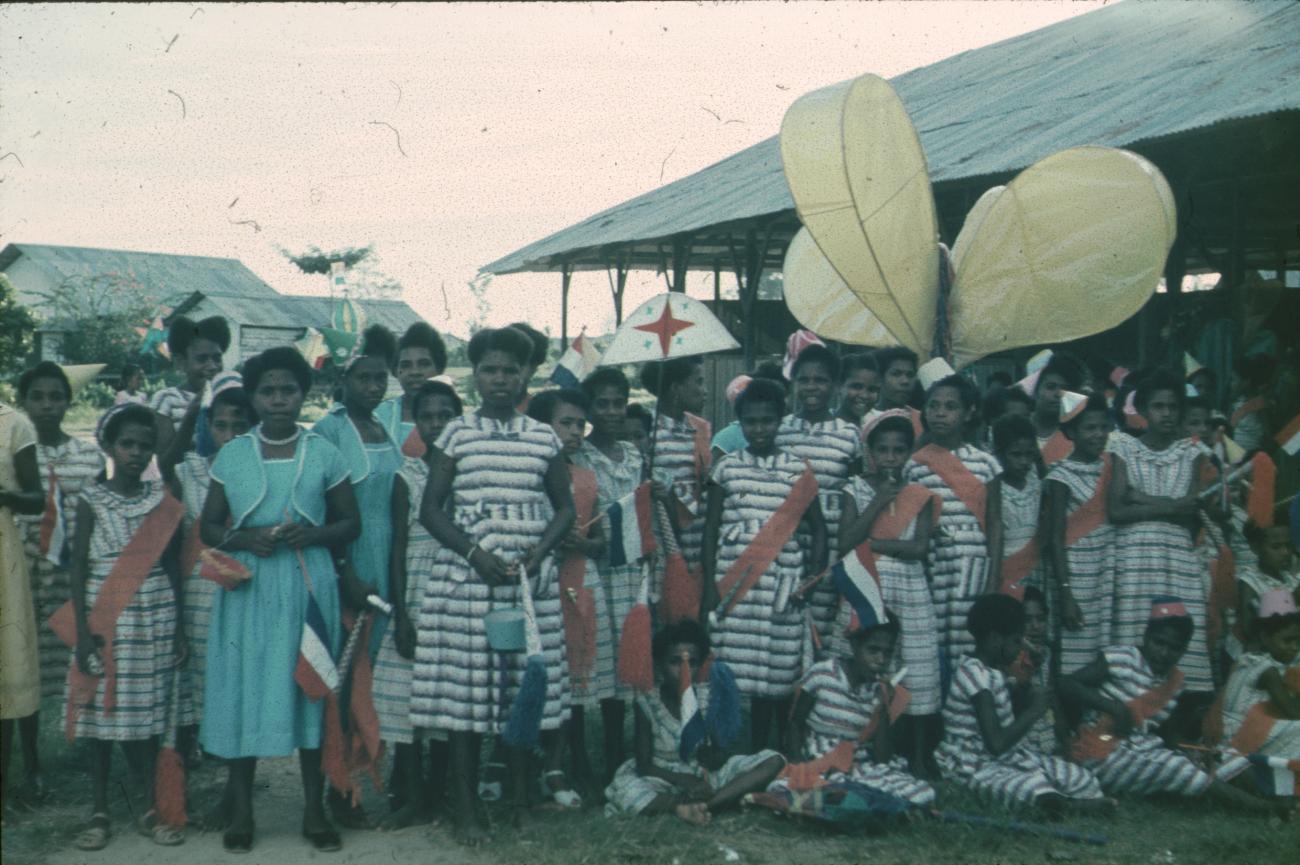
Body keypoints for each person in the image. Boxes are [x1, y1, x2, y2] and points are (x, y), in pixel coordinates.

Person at [411, 326, 575, 845]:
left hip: (528, 585)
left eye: (510, 370)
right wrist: (475, 553)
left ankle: (522, 804)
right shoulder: (456, 433)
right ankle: (465, 811)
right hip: (467, 582)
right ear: (475, 375)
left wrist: (540, 550)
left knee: (522, 697)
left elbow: (565, 508)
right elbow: (430, 510)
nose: (500, 378)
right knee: (467, 702)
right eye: (489, 369)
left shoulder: (543, 436)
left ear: (527, 374)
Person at [198, 347, 362, 854]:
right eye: (267, 390)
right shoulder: (233, 455)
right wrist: (248, 539)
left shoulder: (324, 453)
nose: (278, 400)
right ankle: (242, 811)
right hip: (249, 589)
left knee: (309, 688)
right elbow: (208, 527)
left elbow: (349, 524)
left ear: (302, 393)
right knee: (247, 690)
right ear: (253, 396)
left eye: (288, 389)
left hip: (307, 586)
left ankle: (313, 811)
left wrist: (309, 536)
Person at [64, 404, 187, 849]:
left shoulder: (161, 500)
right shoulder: (90, 498)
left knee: (145, 718)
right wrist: (81, 631)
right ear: (109, 446)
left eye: (145, 445)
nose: (136, 453)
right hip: (104, 612)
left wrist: (179, 631)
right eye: (127, 444)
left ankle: (148, 807)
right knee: (100, 717)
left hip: (154, 613)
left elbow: (173, 566)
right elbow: (76, 567)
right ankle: (98, 810)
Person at [312, 324, 405, 826]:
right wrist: (346, 571)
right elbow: (325, 511)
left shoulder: (387, 427)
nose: (374, 387)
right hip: (354, 570)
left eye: (380, 378)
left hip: (393, 564)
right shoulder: (330, 432)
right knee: (350, 680)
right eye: (364, 378)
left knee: (386, 677)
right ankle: (341, 788)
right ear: (343, 382)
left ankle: (384, 778)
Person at [703, 378, 827, 751]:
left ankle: (771, 745)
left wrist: (812, 577)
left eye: (767, 421)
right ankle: (733, 744)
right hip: (735, 580)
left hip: (782, 580)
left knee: (777, 666)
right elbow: (710, 528)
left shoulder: (798, 470)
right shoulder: (726, 468)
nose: (759, 429)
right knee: (734, 665)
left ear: (780, 421)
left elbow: (819, 530)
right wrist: (709, 584)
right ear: (738, 422)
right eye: (751, 422)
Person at [1060, 598, 1262, 808]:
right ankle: (1262, 808)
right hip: (1098, 752)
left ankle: (1273, 796)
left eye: (1174, 648)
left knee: (1219, 758)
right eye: (1159, 643)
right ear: (1147, 637)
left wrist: (1193, 750)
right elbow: (1066, 684)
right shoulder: (1122, 658)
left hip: (1144, 750)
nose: (1164, 653)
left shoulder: (1175, 683)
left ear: (1184, 650)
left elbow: (1165, 733)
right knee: (1176, 769)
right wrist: (1112, 707)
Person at [14, 362, 106, 803]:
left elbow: (102, 515)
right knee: (20, 670)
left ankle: (92, 752)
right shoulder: (12, 453)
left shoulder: (88, 456)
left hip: (72, 580)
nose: (47, 406)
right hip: (20, 579)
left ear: (69, 402)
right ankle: (29, 763)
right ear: (22, 402)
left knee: (79, 665)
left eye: (57, 397)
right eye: (38, 397)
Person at [372, 379, 461, 830]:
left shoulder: (470, 473)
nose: (436, 423)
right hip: (416, 592)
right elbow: (398, 549)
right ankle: (411, 787)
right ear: (417, 423)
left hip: (458, 593)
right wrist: (401, 614)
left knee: (448, 698)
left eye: (445, 415)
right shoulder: (407, 478)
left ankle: (436, 792)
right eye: (427, 416)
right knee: (403, 694)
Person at [836, 411, 941, 774]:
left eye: (899, 451)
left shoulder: (921, 494)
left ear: (909, 453)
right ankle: (867, 748)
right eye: (883, 450)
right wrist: (879, 501)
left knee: (915, 665)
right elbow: (847, 542)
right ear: (870, 452)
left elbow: (919, 548)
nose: (891, 458)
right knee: (871, 666)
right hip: (867, 584)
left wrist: (875, 543)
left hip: (910, 585)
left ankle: (917, 754)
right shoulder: (855, 489)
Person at [937, 595, 1110, 816]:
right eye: (1016, 641)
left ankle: (1063, 801)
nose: (1021, 648)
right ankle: (1068, 807)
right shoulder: (974, 676)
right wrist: (1035, 710)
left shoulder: (996, 672)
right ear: (994, 639)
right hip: (973, 765)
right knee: (1033, 790)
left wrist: (1027, 688)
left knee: (1083, 779)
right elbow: (996, 744)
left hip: (1009, 759)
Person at [604, 618, 784, 823]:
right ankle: (685, 804)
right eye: (675, 662)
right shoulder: (647, 702)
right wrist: (684, 780)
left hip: (703, 775)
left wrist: (715, 755)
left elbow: (719, 753)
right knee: (626, 790)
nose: (684, 670)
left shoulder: (706, 697)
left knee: (774, 760)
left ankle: (707, 805)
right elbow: (644, 765)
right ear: (659, 665)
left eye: (693, 662)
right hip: (662, 776)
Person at [161, 374, 253, 770]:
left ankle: (234, 762)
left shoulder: (260, 474)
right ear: (208, 427)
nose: (229, 435)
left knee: (237, 674)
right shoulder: (193, 472)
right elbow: (164, 464)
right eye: (221, 426)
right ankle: (195, 755)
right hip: (199, 590)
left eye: (239, 426)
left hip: (245, 588)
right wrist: (191, 413)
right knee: (198, 672)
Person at [1107, 369, 1215, 694]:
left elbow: (1192, 510)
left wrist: (1140, 498)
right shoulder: (1123, 447)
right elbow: (1116, 510)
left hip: (1176, 557)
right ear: (1142, 411)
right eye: (1158, 406)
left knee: (1178, 629)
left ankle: (1176, 706)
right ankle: (1130, 701)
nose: (1166, 414)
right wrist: (1171, 505)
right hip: (1135, 555)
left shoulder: (1193, 453)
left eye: (1172, 407)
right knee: (1136, 627)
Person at [528, 388, 613, 803]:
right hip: (540, 582)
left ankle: (571, 759)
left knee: (576, 673)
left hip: (581, 581)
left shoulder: (587, 477)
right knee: (542, 673)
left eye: (581, 424)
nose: (576, 432)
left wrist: (583, 542)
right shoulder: (529, 473)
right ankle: (532, 758)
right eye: (566, 423)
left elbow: (601, 541)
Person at [574, 367, 646, 785]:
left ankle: (622, 755)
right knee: (591, 663)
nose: (612, 412)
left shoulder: (635, 455)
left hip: (631, 571)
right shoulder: (579, 457)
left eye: (619, 402)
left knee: (627, 667)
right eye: (602, 404)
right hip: (593, 573)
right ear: (589, 409)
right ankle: (583, 759)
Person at [780, 615, 935, 805]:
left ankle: (854, 798)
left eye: (888, 653)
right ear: (854, 646)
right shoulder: (822, 674)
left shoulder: (880, 689)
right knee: (833, 786)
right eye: (873, 650)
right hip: (820, 758)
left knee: (921, 793)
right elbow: (796, 723)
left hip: (858, 761)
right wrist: (797, 763)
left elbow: (882, 757)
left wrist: (883, 708)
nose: (881, 660)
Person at [903, 374, 1002, 668]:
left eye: (950, 406)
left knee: (968, 639)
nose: (940, 413)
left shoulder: (986, 463)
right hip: (932, 562)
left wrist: (994, 577)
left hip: (973, 561)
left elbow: (995, 522)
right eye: (933, 406)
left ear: (968, 412)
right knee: (933, 640)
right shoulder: (914, 465)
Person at [777, 345, 862, 642]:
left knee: (825, 619)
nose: (812, 387)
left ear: (835, 386)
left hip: (834, 538)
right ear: (794, 383)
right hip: (786, 538)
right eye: (804, 380)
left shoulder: (850, 434)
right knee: (785, 612)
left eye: (821, 380)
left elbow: (856, 491)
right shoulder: (780, 429)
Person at [1043, 393, 1116, 675]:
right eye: (1090, 428)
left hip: (1108, 569)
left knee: (1107, 652)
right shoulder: (1061, 475)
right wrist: (1066, 592)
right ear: (1071, 432)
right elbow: (1055, 538)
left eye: (1103, 427)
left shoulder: (1111, 467)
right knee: (1075, 653)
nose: (1098, 434)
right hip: (1077, 574)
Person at [0, 400, 44, 815]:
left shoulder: (13, 424)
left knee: (9, 659)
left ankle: (25, 771)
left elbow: (36, 499)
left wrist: (5, 495)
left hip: (2, 556)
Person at [640, 356, 711, 591]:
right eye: (698, 382)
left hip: (698, 541)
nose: (705, 390)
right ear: (675, 388)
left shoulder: (699, 428)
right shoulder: (647, 431)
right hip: (664, 539)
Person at [1220, 588, 1300, 759]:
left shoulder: (1246, 659)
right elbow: (1294, 713)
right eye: (1287, 640)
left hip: (1240, 730)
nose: (1294, 647)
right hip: (1238, 737)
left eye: (1297, 641)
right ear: (1265, 638)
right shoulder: (1264, 669)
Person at [149, 315, 229, 444]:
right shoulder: (166, 400)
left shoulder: (230, 398)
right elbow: (162, 463)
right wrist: (190, 418)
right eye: (202, 359)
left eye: (217, 358)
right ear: (181, 362)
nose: (213, 366)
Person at [988, 414, 1044, 599]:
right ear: (999, 453)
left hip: (1036, 569)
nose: (1024, 461)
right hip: (1005, 569)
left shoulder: (1036, 483)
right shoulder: (993, 488)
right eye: (1016, 455)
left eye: (1029, 455)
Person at [375, 321, 449, 457]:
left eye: (424, 364)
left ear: (439, 369)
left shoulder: (452, 417)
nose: (415, 372)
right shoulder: (378, 416)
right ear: (396, 371)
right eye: (406, 365)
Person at [1234, 521, 1300, 652]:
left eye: (1288, 545)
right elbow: (1251, 629)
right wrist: (1293, 599)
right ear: (1255, 548)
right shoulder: (1249, 581)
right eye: (1276, 547)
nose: (1285, 552)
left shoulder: (1289, 579)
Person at [1027, 353, 1085, 466]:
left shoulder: (1074, 435)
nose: (1058, 394)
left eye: (1064, 388)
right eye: (1051, 387)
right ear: (1035, 391)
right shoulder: (1019, 427)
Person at [1228, 354, 1276, 455]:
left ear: (1246, 382)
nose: (1231, 384)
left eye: (1234, 380)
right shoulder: (1235, 404)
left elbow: (1268, 434)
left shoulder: (1260, 404)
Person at [873, 347, 922, 437]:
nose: (905, 381)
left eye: (910, 375)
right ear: (880, 379)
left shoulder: (922, 421)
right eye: (896, 374)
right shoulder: (866, 419)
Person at [507, 321, 549, 409]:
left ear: (533, 368)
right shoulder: (474, 419)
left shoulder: (543, 415)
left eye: (516, 367)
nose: (501, 377)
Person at [836, 353, 882, 430]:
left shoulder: (877, 429)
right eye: (857, 387)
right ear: (839, 387)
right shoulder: (823, 430)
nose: (865, 396)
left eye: (872, 389)